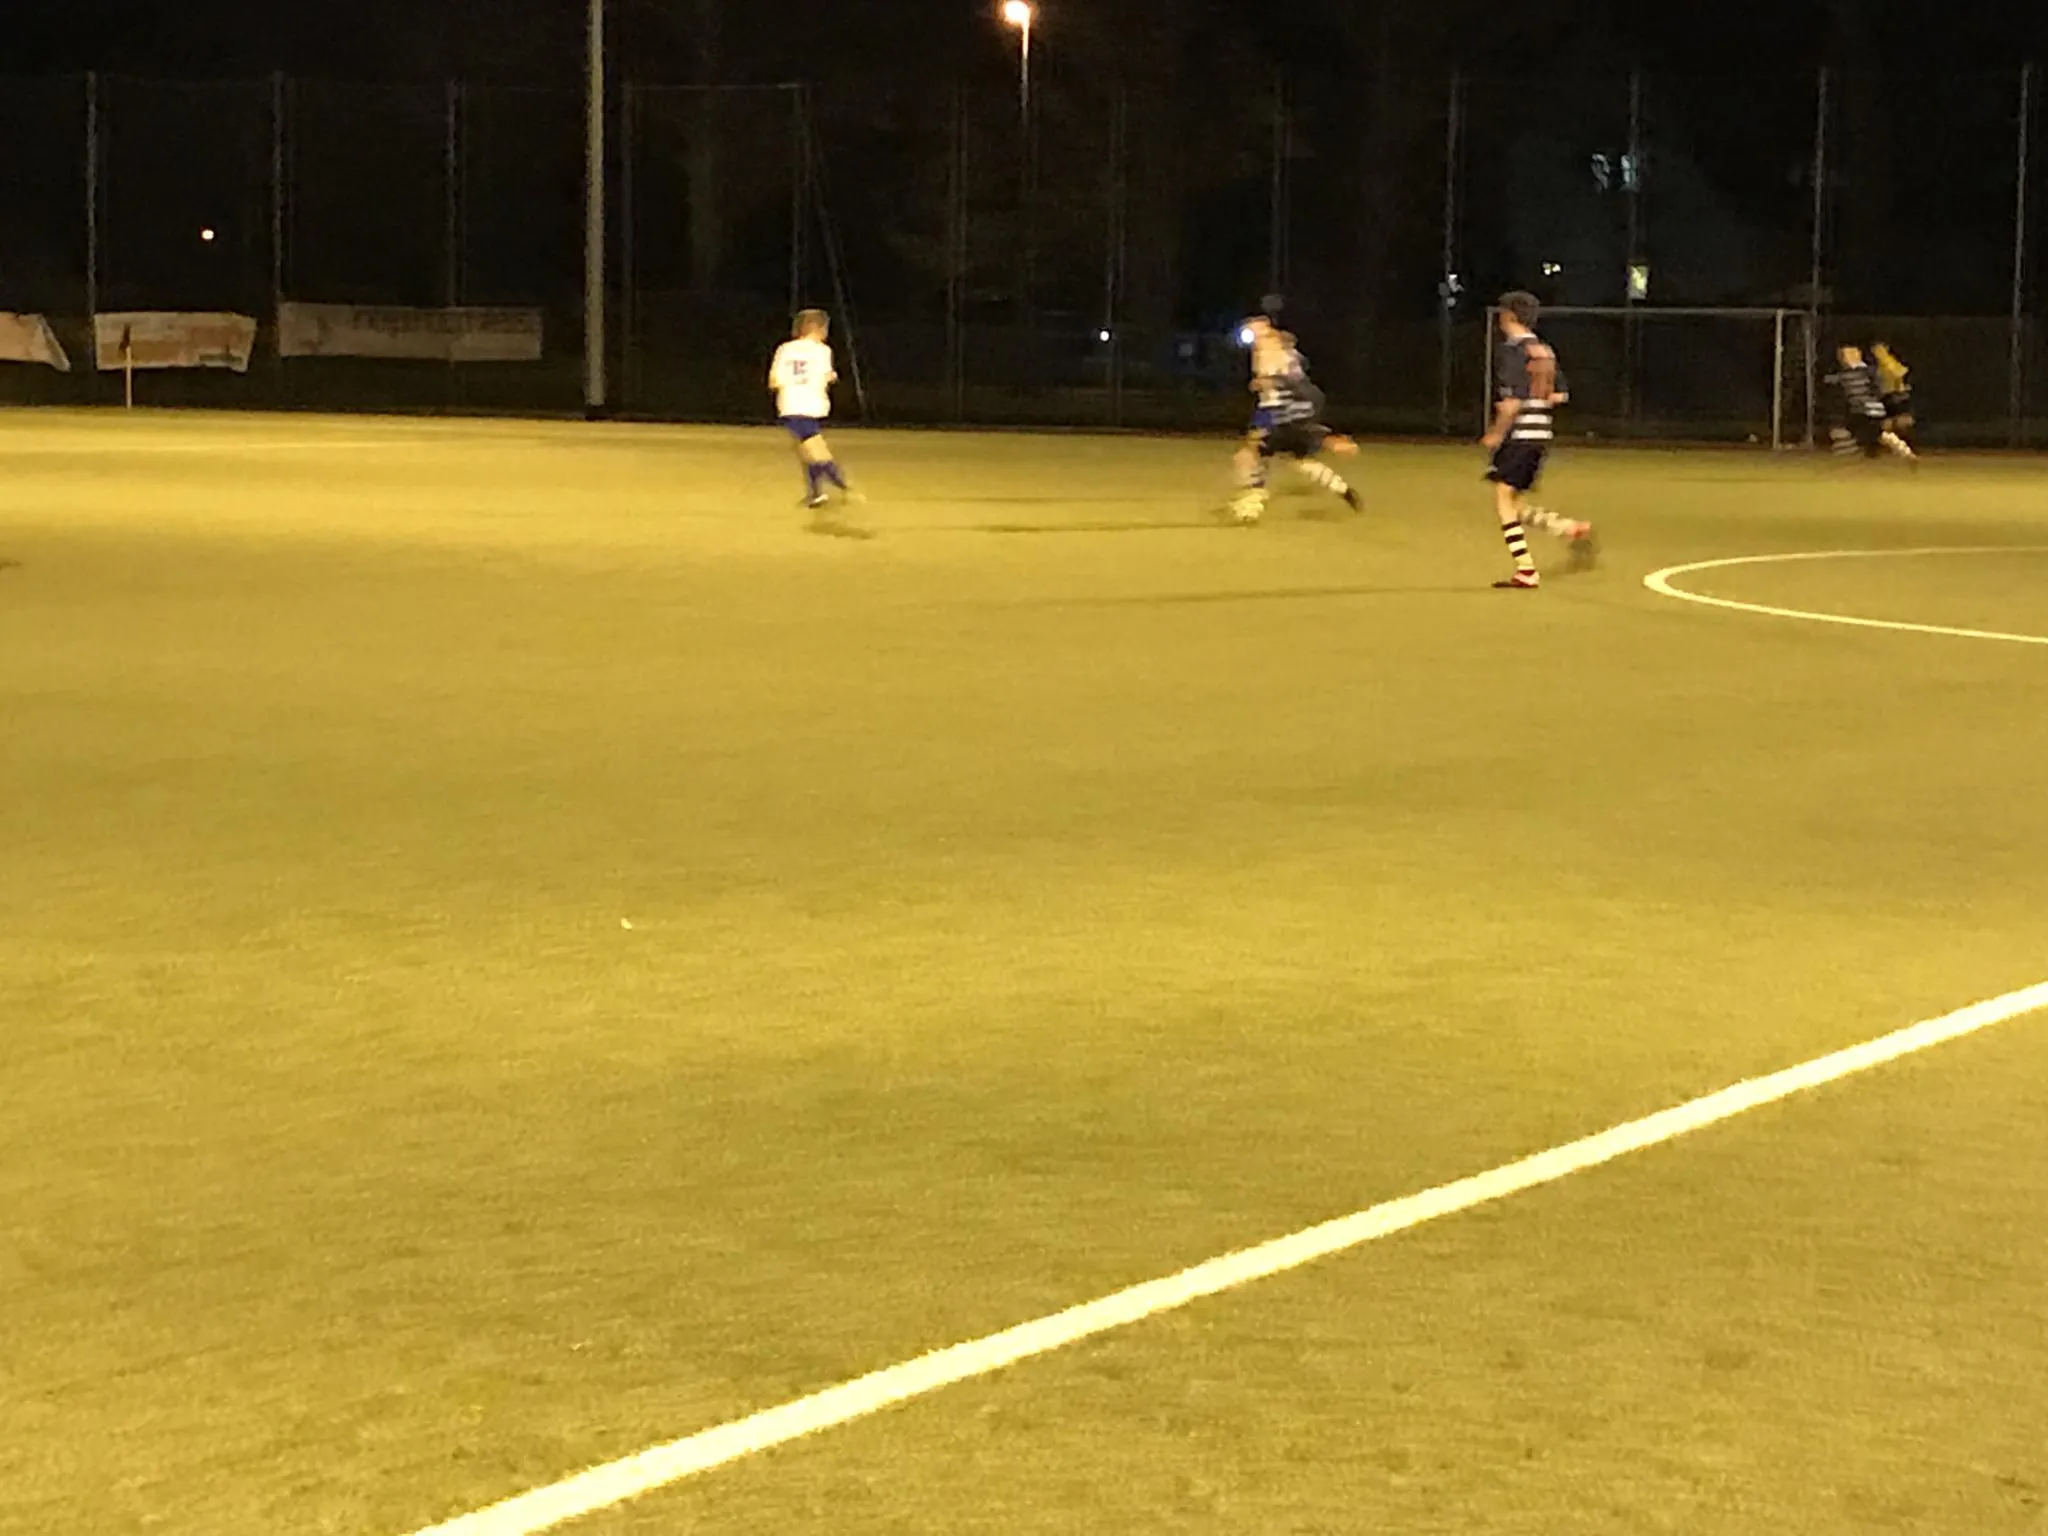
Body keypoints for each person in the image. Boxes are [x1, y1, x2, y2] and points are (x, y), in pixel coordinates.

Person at [1482, 292, 1595, 589]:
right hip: (1541, 434)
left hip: (1520, 434)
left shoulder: (1513, 351)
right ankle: (1567, 527)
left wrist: (1496, 432)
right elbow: (1561, 395)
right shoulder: (1544, 350)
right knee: (1514, 502)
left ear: (1508, 316)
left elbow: (1512, 402)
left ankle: (1526, 570)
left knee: (1503, 500)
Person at [1228, 320, 1362, 524]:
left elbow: (1280, 390)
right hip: (1292, 415)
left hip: (1282, 416)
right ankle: (1343, 489)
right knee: (1300, 460)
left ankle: (1250, 505)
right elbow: (1302, 387)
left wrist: (1267, 387)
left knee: (1250, 455)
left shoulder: (1271, 355)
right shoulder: (1283, 355)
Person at [769, 310, 860, 519]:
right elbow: (827, 376)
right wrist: (831, 377)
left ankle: (841, 486)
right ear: (817, 328)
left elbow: (774, 381)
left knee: (812, 450)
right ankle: (822, 492)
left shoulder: (785, 349)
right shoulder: (823, 351)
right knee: (811, 450)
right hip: (814, 404)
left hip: (791, 404)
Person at [1872, 342, 1918, 457]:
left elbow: (1902, 377)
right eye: (1876, 350)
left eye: (1880, 350)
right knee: (1885, 427)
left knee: (1902, 423)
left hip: (1899, 399)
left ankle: (1909, 448)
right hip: (1886, 400)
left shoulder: (1895, 363)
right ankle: (1883, 450)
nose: (1878, 353)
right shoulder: (1876, 368)